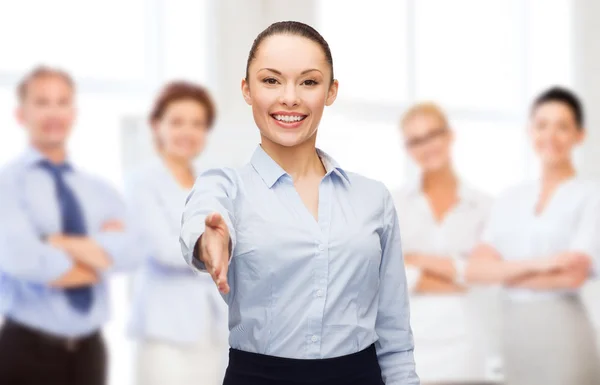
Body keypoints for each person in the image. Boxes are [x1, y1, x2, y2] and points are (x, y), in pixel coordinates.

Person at [179, 21, 419, 385]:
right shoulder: (225, 186)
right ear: (247, 90)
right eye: (271, 80)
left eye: (308, 81)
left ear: (330, 91)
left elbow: (395, 334)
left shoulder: (373, 199)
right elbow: (203, 218)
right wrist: (210, 240)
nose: (289, 98)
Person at [0, 66, 142, 385]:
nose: (54, 112)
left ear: (74, 112)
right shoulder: (7, 184)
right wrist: (98, 260)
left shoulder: (98, 189)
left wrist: (55, 242)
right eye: (42, 102)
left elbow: (132, 251)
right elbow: (22, 259)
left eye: (62, 102)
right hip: (27, 350)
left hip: (90, 352)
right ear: (21, 114)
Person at [468, 86, 600, 385]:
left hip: (565, 332)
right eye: (542, 125)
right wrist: (544, 264)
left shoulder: (592, 195)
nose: (550, 135)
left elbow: (572, 275)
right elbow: (475, 269)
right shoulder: (509, 198)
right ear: (530, 131)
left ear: (580, 135)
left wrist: (501, 273)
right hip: (513, 334)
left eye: (562, 126)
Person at [127, 81, 228, 385]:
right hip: (165, 332)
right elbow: (162, 249)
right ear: (157, 125)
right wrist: (217, 251)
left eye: (197, 123)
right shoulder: (141, 182)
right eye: (177, 122)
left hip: (213, 330)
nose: (188, 132)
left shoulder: (213, 181)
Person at [394, 102, 493, 384]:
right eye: (415, 140)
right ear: (407, 149)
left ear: (450, 135)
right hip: (410, 342)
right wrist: (458, 272)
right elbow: (385, 275)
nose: (426, 147)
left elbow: (487, 275)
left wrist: (417, 261)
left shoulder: (484, 207)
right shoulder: (392, 205)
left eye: (433, 135)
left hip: (466, 342)